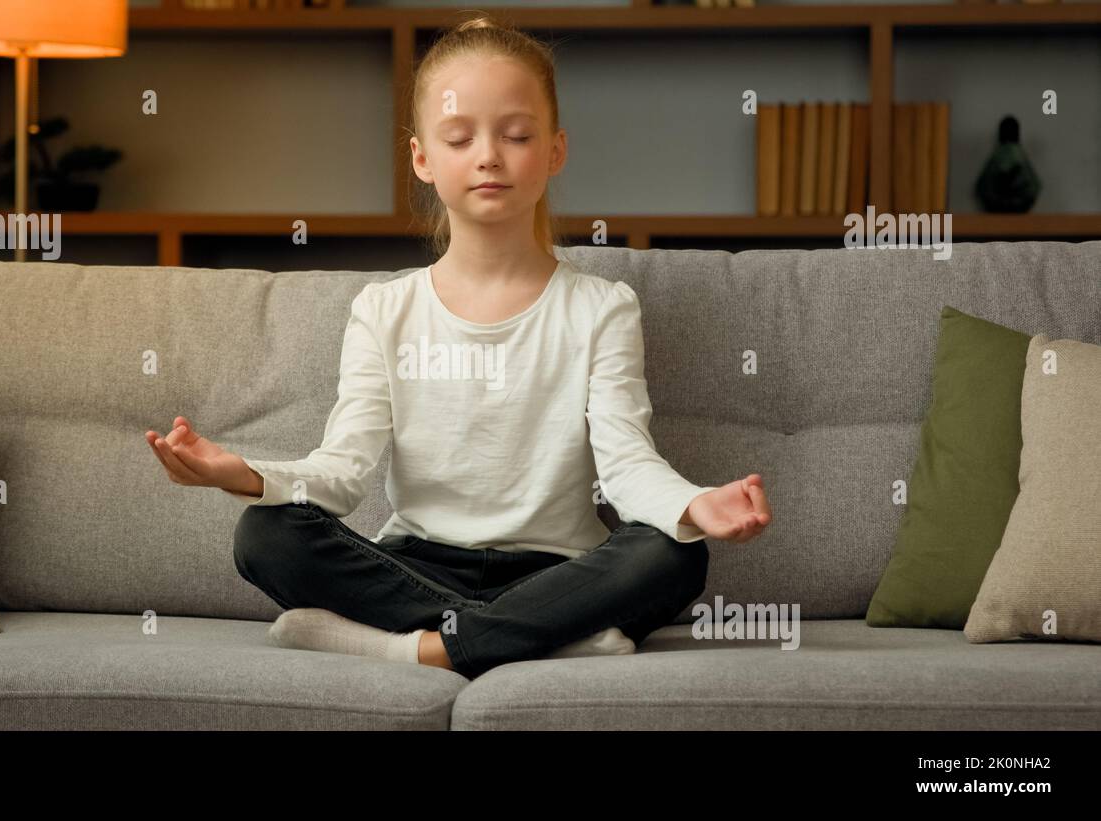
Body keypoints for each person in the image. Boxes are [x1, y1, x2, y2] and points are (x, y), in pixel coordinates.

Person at [146, 15, 771, 680]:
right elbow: (343, 472)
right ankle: (540, 637)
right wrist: (243, 473)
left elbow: (625, 466)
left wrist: (689, 503)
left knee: (675, 553)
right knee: (265, 534)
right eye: (459, 136)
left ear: (555, 150)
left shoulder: (601, 308)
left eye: (517, 134)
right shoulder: (384, 310)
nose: (489, 155)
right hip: (418, 562)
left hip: (560, 570)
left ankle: (421, 645)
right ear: (422, 158)